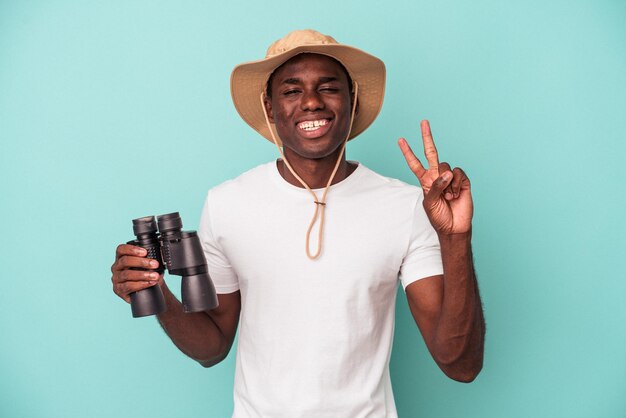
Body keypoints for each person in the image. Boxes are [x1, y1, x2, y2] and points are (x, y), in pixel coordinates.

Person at [111, 29, 484, 417]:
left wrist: (456, 238)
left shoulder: (406, 206)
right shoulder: (227, 204)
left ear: (353, 102)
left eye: (328, 87)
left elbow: (460, 364)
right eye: (291, 91)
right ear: (270, 108)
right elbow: (212, 347)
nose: (310, 102)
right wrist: (157, 293)